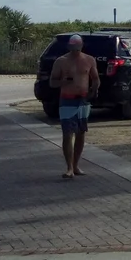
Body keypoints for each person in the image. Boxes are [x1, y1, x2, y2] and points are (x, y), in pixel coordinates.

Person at [48, 35, 99, 179]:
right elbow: (52, 82)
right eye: (73, 47)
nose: (75, 50)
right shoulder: (61, 61)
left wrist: (94, 90)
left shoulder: (89, 60)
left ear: (82, 46)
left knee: (81, 133)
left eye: (78, 47)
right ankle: (69, 168)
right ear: (69, 47)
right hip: (67, 100)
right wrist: (63, 82)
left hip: (83, 100)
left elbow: (95, 78)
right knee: (67, 133)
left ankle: (76, 165)